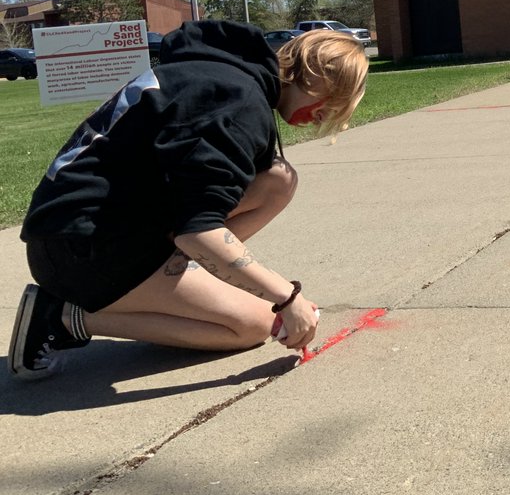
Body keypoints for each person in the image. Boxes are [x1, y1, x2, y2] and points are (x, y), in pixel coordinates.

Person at [7, 21, 369, 381]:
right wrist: (288, 298)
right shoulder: (237, 103)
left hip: (85, 229)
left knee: (277, 179)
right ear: (315, 76)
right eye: (333, 101)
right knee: (254, 325)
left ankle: (181, 274)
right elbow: (198, 230)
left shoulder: (219, 77)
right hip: (84, 250)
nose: (324, 115)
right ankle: (61, 316)